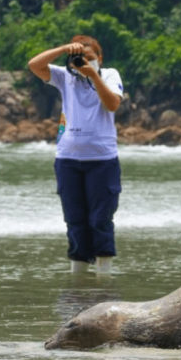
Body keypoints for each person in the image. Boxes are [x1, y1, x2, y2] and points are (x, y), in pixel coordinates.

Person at [28, 35, 123, 274]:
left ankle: (104, 280)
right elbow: (34, 65)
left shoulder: (109, 75)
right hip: (68, 160)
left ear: (100, 58)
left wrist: (92, 74)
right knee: (75, 221)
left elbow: (112, 104)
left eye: (91, 58)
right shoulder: (64, 77)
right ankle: (78, 282)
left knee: (100, 221)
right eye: (81, 59)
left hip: (102, 160)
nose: (86, 62)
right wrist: (63, 49)